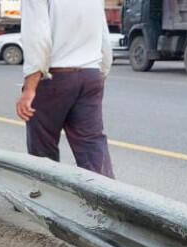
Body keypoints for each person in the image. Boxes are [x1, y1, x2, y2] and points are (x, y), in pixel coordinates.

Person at [15, 0, 113, 178]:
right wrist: (101, 75)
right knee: (91, 144)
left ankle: (45, 197)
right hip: (90, 74)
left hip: (55, 78)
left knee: (43, 148)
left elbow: (37, 38)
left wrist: (29, 90)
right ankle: (105, 199)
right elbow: (104, 38)